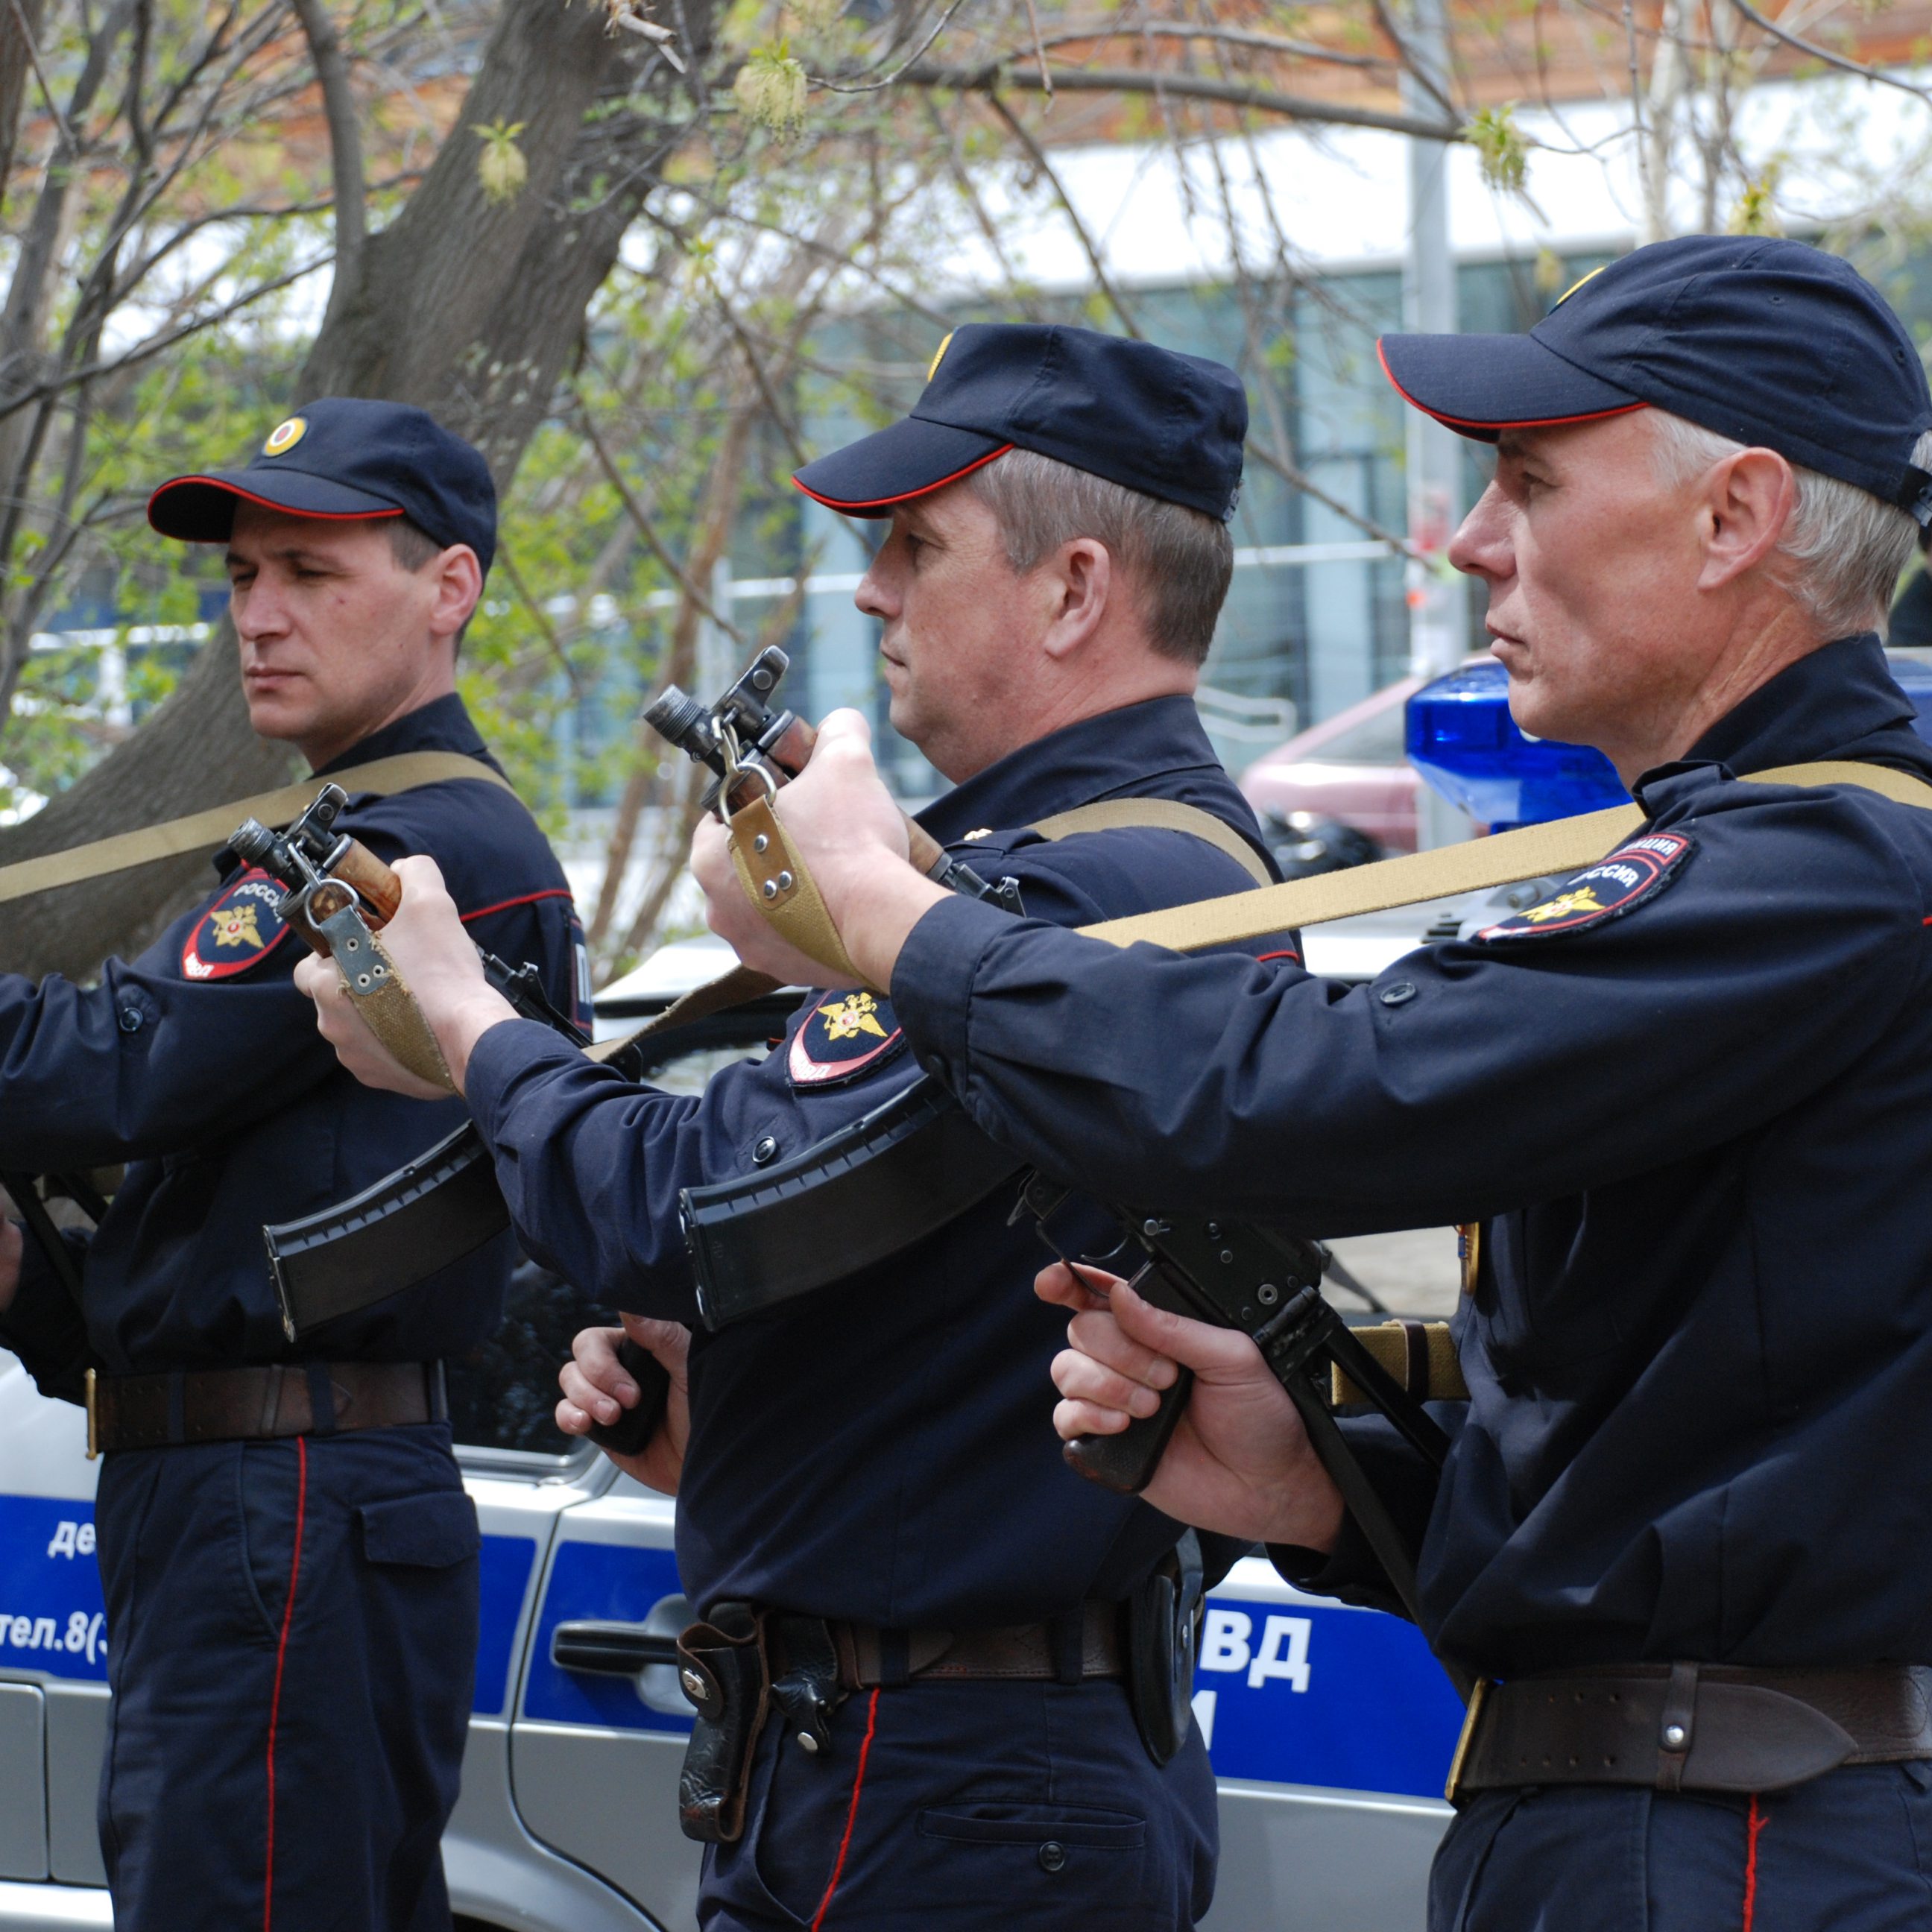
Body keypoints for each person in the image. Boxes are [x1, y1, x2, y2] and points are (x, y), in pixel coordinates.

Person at [684, 236, 1932, 1931]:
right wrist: (1321, 1480)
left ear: (1737, 519)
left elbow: (1322, 1098)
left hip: (1739, 1836)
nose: (1470, 539)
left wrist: (899, 926)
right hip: (1671, 1813)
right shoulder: (1778, 858)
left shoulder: (1835, 868)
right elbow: (1686, 1422)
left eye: (1530, 479)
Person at [294, 323, 1298, 1931]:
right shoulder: (1043, 880)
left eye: (915, 543)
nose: (868, 590)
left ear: (1074, 590)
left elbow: (690, 1206)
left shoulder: (1095, 893)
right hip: (889, 1753)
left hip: (957, 1784)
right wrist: (726, 1420)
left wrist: (468, 1023)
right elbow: (857, 1282)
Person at [0, 397, 587, 1932]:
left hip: (287, 1500)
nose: (257, 617)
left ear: (448, 588)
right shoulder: (346, 837)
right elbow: (231, 1209)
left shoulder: (417, 855)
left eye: (311, 575)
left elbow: (107, 1068)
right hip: (255, 1493)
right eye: (244, 578)